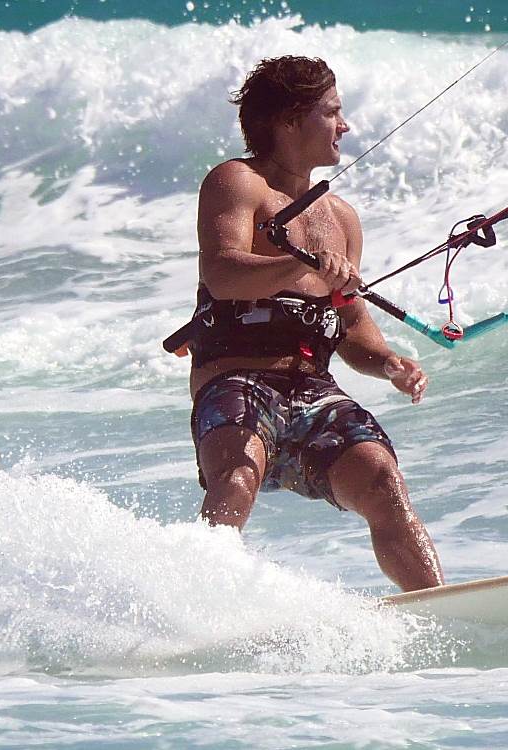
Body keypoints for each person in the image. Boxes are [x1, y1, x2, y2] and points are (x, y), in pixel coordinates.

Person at [177, 56, 444, 592]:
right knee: (236, 476)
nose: (345, 126)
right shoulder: (237, 182)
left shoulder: (341, 218)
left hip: (312, 390)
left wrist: (388, 363)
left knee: (382, 480)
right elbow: (223, 273)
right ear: (291, 120)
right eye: (332, 112)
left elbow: (351, 323)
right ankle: (192, 600)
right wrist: (301, 266)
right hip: (236, 379)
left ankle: (440, 605)